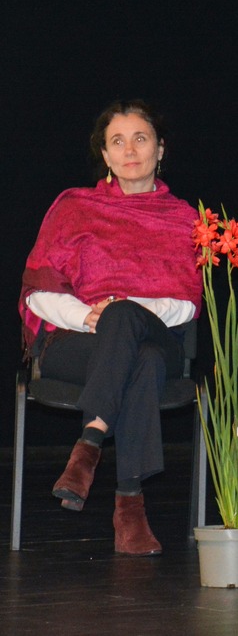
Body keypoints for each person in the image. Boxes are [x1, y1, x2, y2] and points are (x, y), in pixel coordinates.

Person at [19, 100, 202, 556]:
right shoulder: (73, 207)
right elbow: (37, 293)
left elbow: (186, 306)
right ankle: (129, 506)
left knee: (131, 324)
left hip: (158, 330)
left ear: (161, 149)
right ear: (104, 154)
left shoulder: (185, 219)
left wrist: (124, 308)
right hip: (77, 344)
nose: (130, 150)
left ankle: (89, 444)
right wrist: (87, 316)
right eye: (116, 141)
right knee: (143, 362)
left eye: (141, 138)